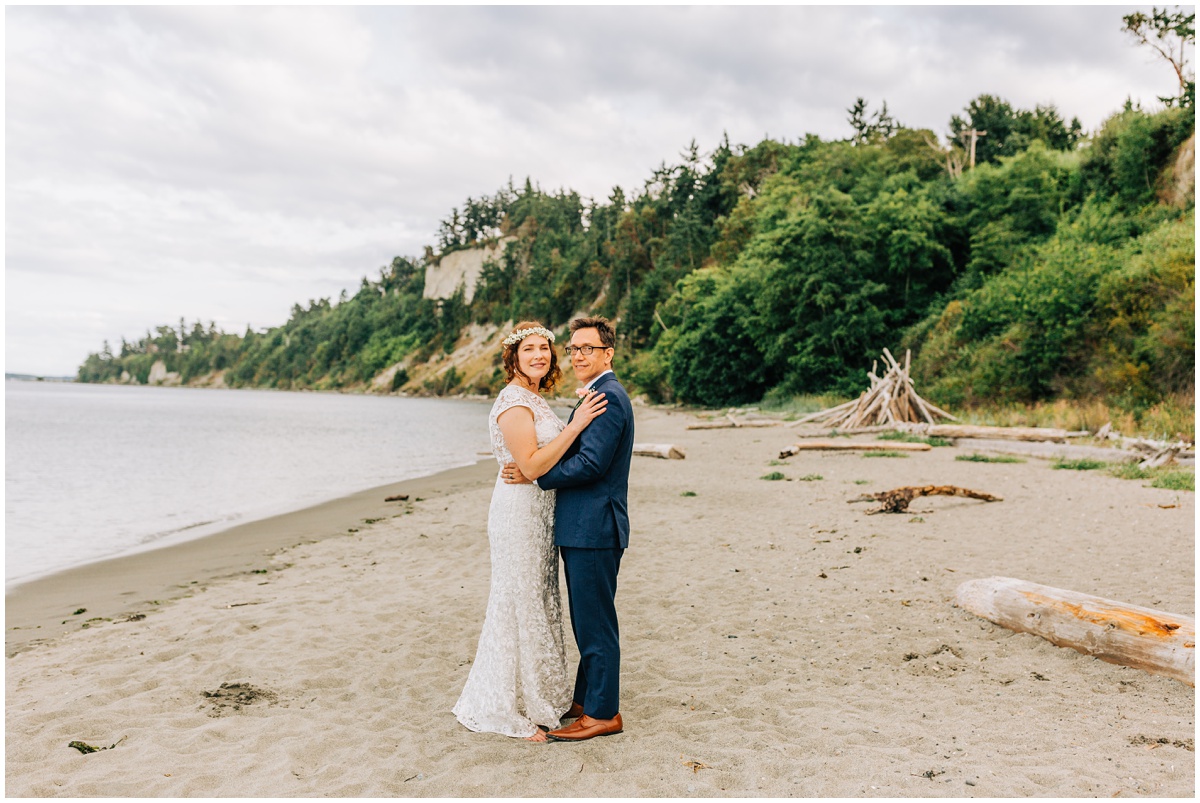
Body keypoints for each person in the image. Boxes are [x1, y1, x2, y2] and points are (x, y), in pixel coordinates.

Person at [452, 321, 608, 742]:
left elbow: (541, 461)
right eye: (529, 350)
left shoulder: (535, 399)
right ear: (514, 358)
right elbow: (536, 464)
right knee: (519, 597)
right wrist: (576, 425)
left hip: (541, 514)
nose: (539, 355)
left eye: (544, 349)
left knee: (539, 598)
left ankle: (541, 697)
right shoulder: (513, 402)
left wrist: (575, 417)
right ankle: (509, 705)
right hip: (518, 513)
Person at [504, 315, 634, 742]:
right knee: (587, 619)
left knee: (596, 624)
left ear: (608, 354)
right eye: (575, 348)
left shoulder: (610, 397)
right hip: (582, 526)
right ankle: (585, 699)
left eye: (588, 349)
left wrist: (536, 475)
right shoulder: (594, 394)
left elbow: (592, 464)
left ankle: (602, 714)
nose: (579, 355)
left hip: (594, 527)